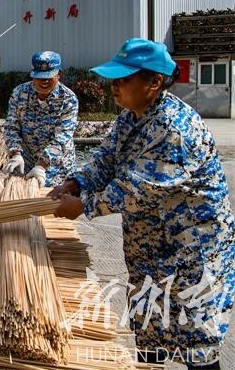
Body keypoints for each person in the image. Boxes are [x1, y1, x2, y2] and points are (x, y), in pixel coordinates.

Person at [50, 38, 235, 369]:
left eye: (124, 80)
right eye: (114, 80)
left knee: (195, 341)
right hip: (150, 251)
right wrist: (76, 182)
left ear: (154, 82)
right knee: (150, 330)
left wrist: (82, 206)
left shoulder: (176, 129)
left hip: (192, 255)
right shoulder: (131, 117)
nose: (115, 87)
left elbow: (135, 191)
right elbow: (105, 160)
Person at [3, 51, 78, 187]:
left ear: (58, 74)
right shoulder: (20, 93)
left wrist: (42, 165)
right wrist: (16, 153)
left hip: (57, 168)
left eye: (49, 77)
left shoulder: (68, 99)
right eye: (39, 77)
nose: (44, 82)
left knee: (51, 203)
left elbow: (63, 137)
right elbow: (11, 126)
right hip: (24, 162)